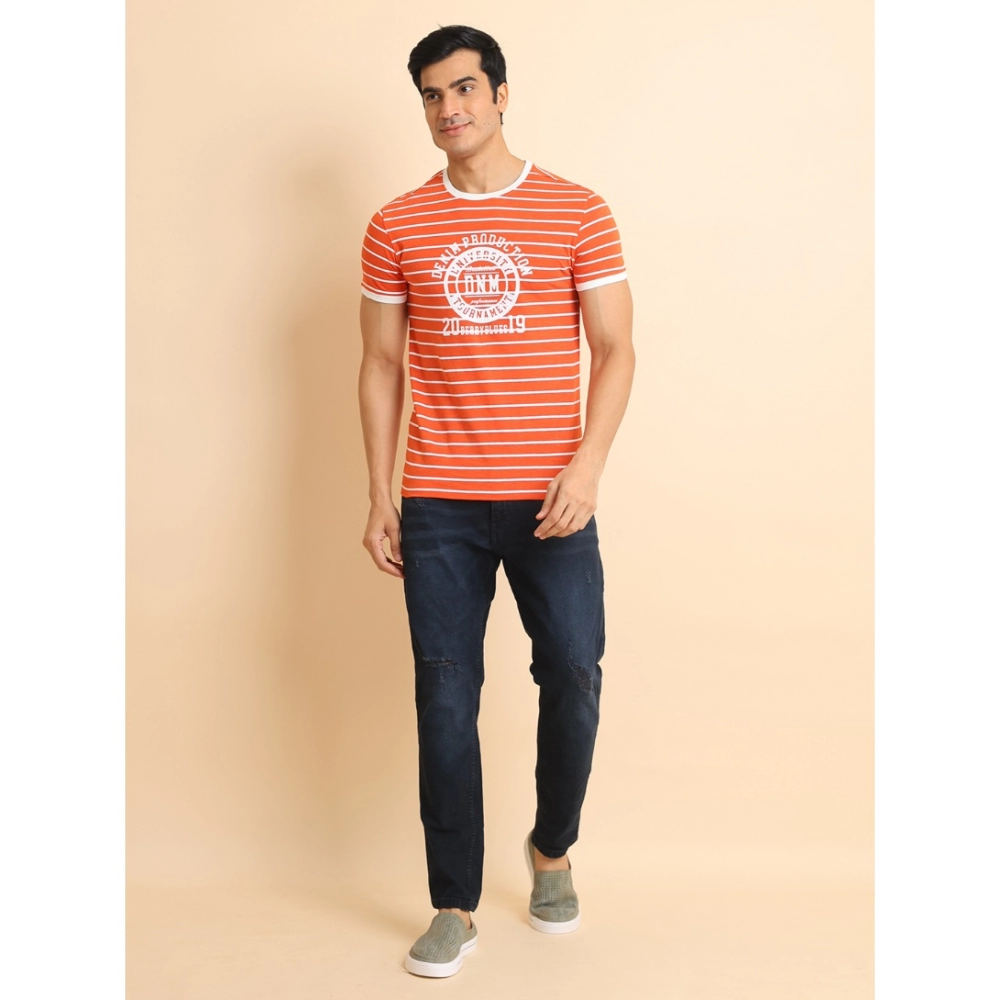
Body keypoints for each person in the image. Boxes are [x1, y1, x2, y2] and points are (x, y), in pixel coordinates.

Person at [357, 24, 635, 978]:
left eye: (466, 88)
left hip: (553, 499)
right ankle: (454, 905)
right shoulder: (396, 225)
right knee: (444, 698)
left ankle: (551, 850)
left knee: (575, 678)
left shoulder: (577, 210)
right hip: (438, 502)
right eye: (433, 95)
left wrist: (587, 466)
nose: (451, 109)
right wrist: (379, 493)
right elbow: (381, 363)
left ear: (501, 94)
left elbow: (616, 349)